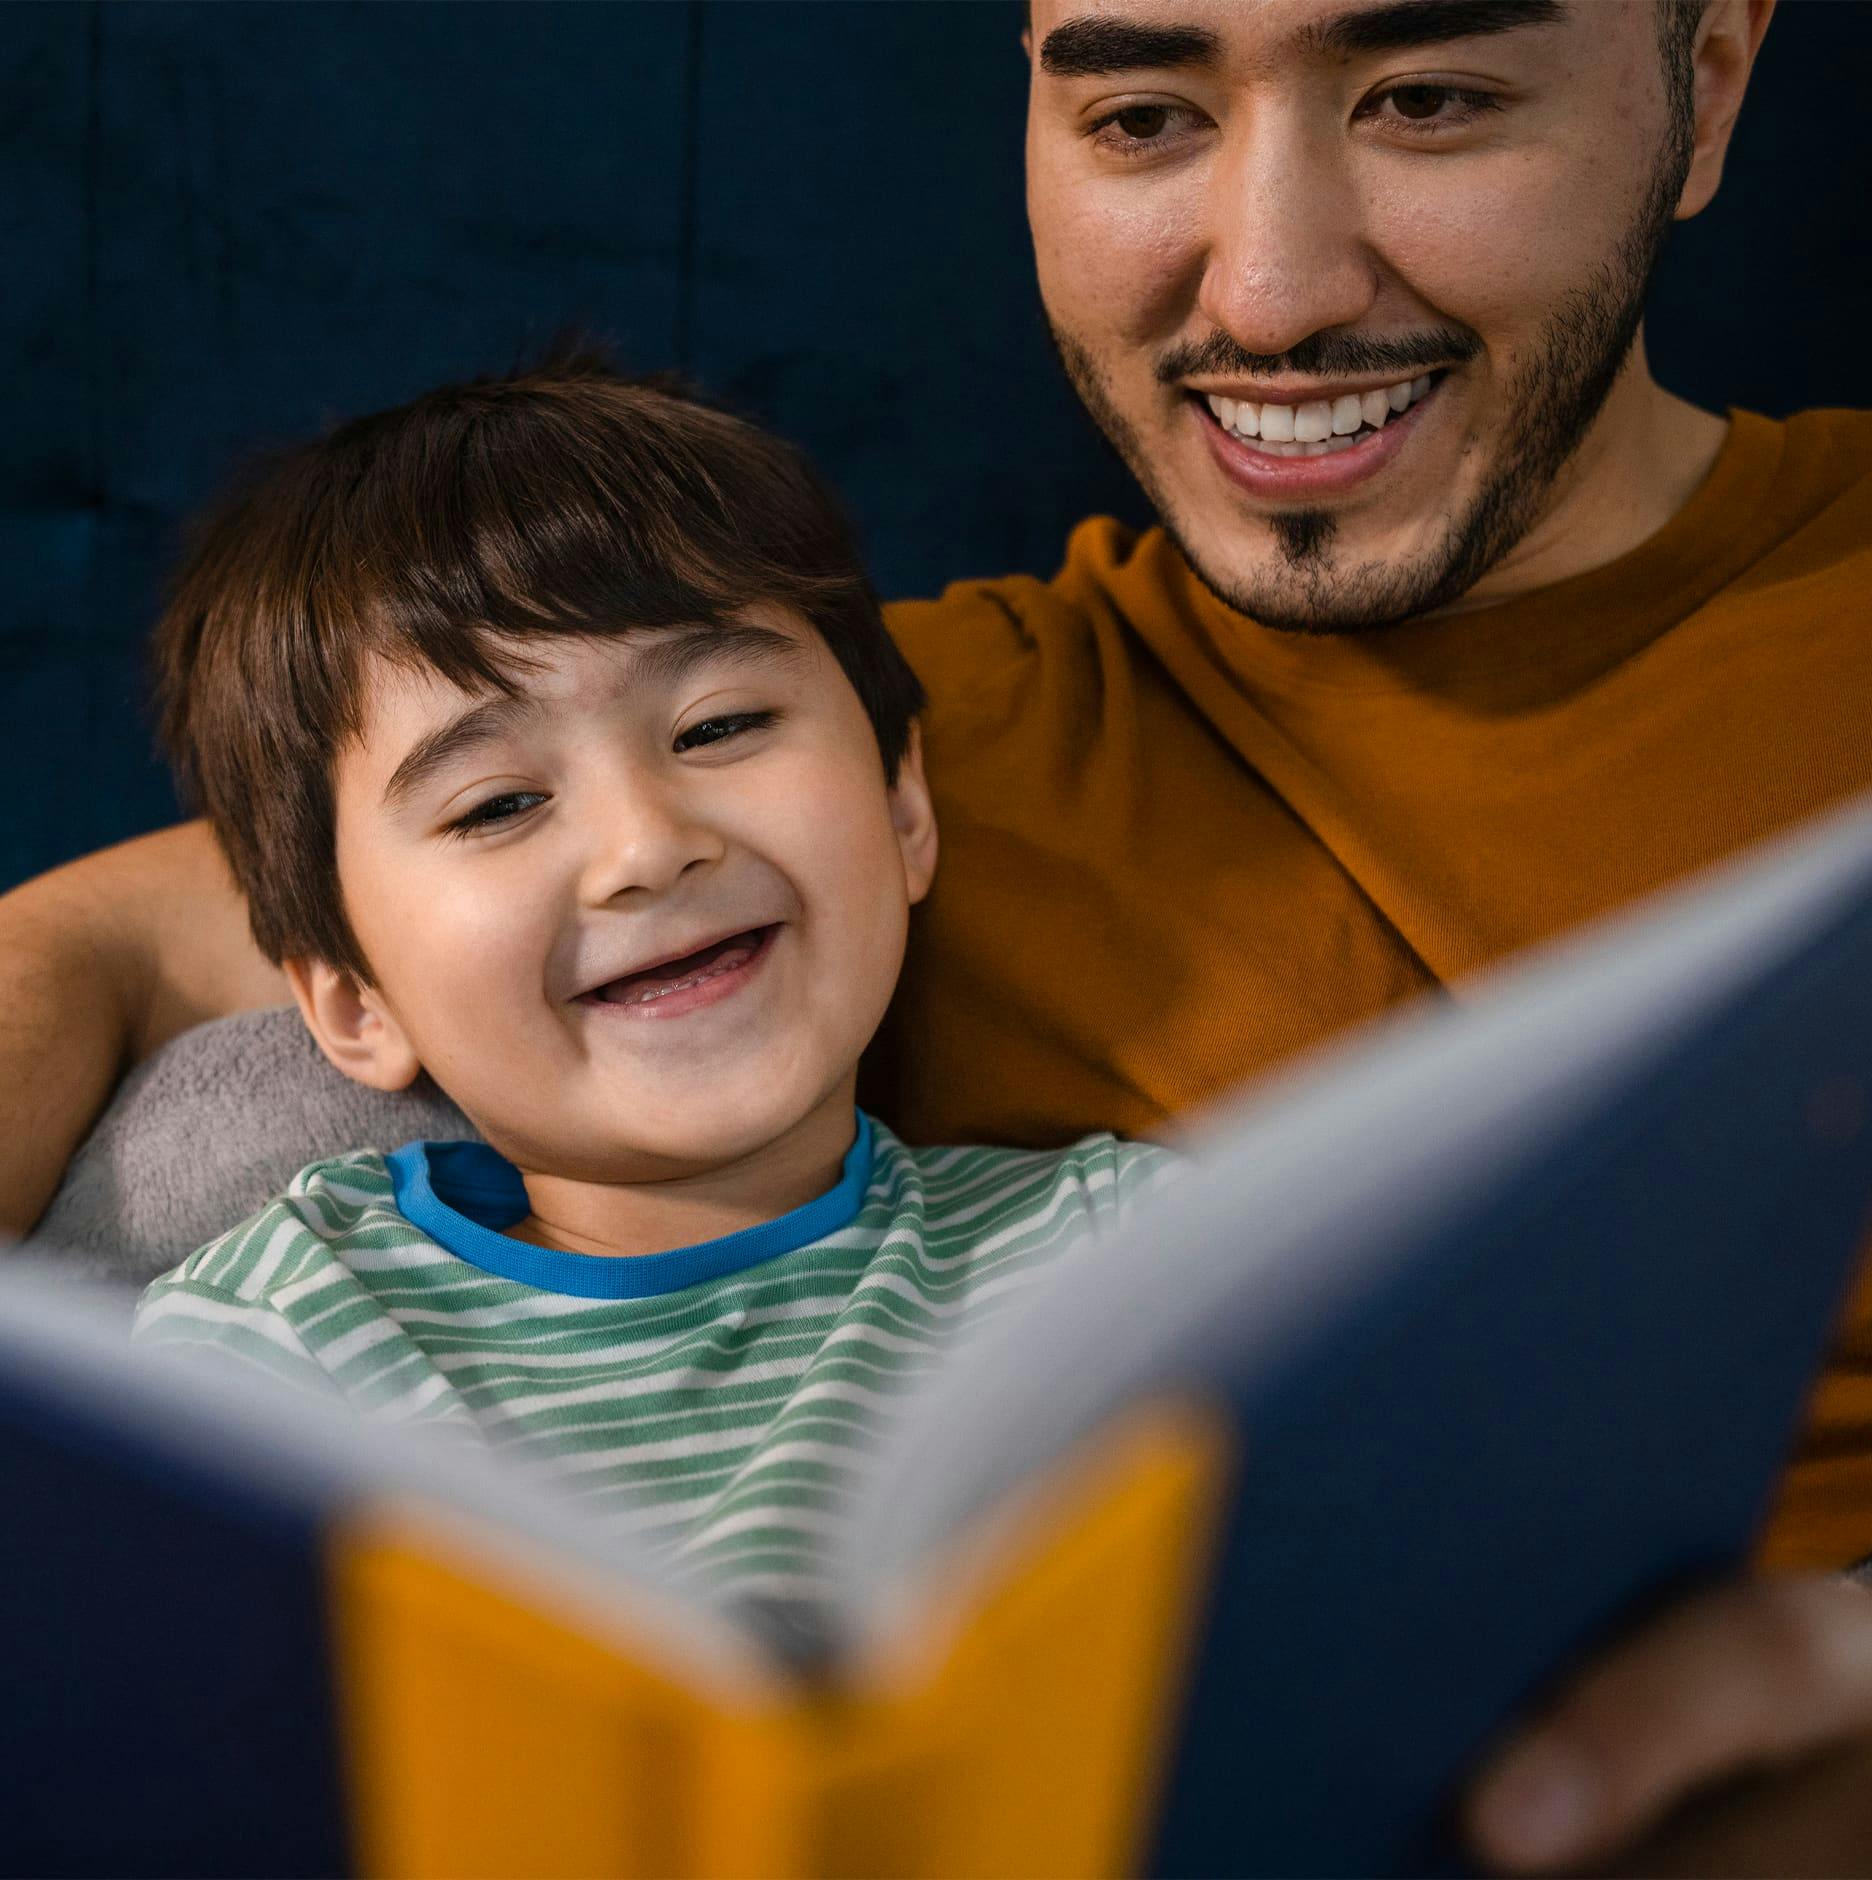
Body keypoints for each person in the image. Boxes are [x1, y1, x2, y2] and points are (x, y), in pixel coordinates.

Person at [2, 0, 1869, 1868]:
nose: (1277, 290)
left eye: (1430, 100)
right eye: (1142, 117)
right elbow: (101, 943)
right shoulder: (917, 720)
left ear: (1701, 89)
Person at [126, 354, 1173, 1598]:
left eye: (717, 726)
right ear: (357, 1001)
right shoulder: (285, 1335)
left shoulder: (1124, 1254)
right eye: (499, 802)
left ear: (903, 810)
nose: (646, 845)